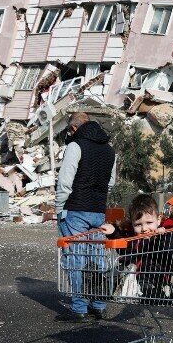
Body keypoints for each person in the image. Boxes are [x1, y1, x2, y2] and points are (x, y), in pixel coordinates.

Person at [55, 112, 116, 322]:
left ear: (73, 128)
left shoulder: (75, 146)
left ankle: (79, 307)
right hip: (98, 210)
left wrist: (59, 208)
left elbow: (65, 182)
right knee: (97, 259)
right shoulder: (109, 150)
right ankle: (98, 304)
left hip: (75, 209)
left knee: (75, 258)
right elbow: (111, 182)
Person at [100, 194, 173, 300]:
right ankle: (103, 284)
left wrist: (163, 237)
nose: (144, 228)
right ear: (132, 224)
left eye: (149, 222)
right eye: (138, 224)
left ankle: (131, 289)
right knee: (112, 275)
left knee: (147, 279)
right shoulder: (132, 237)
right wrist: (114, 233)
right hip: (131, 275)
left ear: (158, 220)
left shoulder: (165, 235)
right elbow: (124, 250)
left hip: (154, 279)